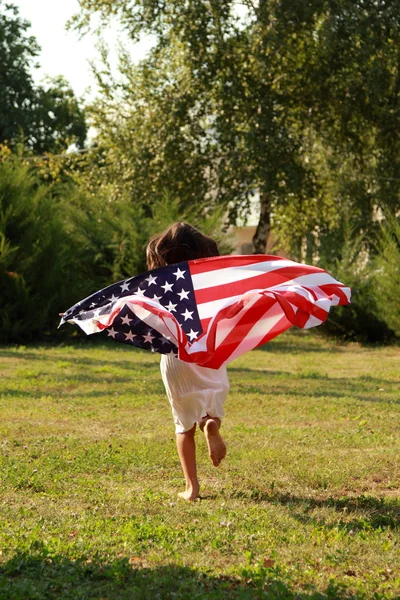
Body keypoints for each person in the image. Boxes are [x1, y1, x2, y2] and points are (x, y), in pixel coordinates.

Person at [146, 222, 229, 501]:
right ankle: (210, 423)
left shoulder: (161, 286)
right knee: (210, 399)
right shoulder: (208, 285)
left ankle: (192, 488)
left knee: (183, 425)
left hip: (175, 355)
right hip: (208, 350)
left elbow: (143, 315)